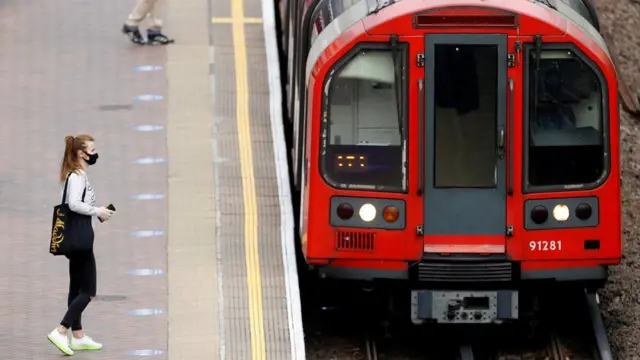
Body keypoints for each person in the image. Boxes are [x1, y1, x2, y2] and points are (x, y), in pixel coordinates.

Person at [47, 135, 115, 356]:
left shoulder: (72, 175)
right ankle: (61, 329)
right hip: (81, 242)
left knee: (75, 288)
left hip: (76, 238)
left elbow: (75, 206)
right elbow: (74, 204)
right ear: (81, 153)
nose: (95, 154)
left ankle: (77, 336)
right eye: (92, 150)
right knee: (88, 291)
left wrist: (98, 216)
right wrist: (97, 211)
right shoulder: (77, 177)